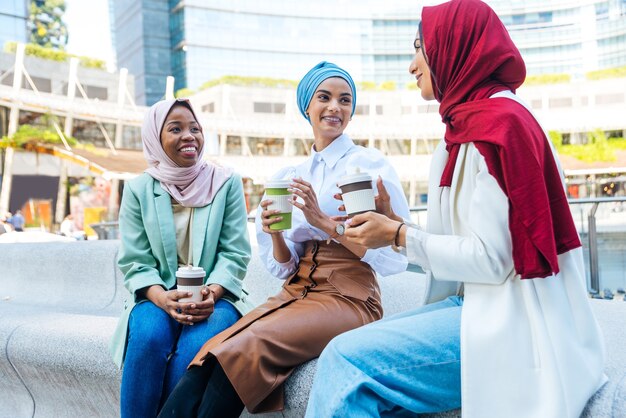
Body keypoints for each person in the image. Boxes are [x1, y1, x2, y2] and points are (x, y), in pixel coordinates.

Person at [305, 1, 607, 417]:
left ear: (453, 47)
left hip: (517, 324)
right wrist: (394, 224)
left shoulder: (500, 128)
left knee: (344, 360)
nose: (412, 65)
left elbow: (493, 260)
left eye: (419, 48)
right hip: (476, 306)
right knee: (348, 361)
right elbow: (457, 247)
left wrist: (396, 235)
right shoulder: (469, 128)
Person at [158, 62, 411, 418]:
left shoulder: (368, 165)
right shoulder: (291, 175)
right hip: (298, 290)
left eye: (344, 99)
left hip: (351, 298)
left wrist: (322, 221)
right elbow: (285, 265)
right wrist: (275, 232)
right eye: (324, 97)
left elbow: (392, 257)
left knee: (247, 347)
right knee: (213, 351)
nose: (335, 107)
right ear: (307, 105)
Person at [109, 98, 255, 418]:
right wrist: (163, 299)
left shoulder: (226, 182)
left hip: (216, 297)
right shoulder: (138, 189)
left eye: (195, 128)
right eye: (175, 129)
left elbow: (235, 252)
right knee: (148, 335)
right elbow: (135, 261)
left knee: (196, 347)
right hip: (157, 295)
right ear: (155, 139)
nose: (189, 136)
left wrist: (211, 292)